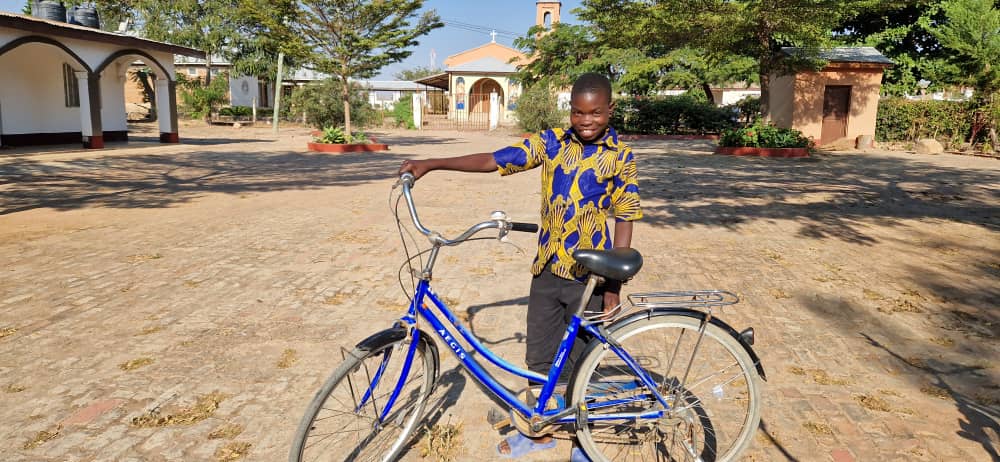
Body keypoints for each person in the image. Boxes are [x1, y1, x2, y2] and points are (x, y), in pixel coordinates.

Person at [398, 73, 642, 461]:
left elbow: (625, 217)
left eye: (595, 112)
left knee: (579, 365)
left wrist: (614, 285)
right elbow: (495, 160)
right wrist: (434, 162)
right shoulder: (551, 143)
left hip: (590, 278)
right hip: (546, 270)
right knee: (540, 360)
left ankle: (583, 443)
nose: (586, 120)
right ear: (570, 111)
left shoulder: (621, 156)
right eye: (578, 112)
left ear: (610, 110)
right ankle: (540, 432)